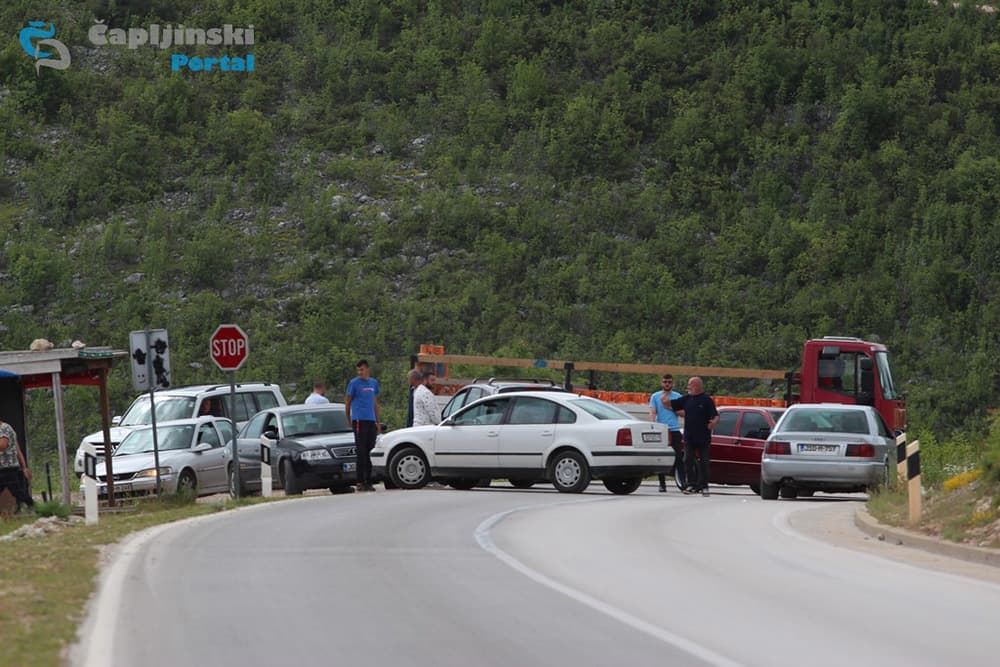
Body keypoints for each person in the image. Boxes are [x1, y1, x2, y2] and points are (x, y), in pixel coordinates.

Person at [671, 377, 719, 496]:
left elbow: (715, 415)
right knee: (687, 460)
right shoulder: (686, 399)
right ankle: (691, 484)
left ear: (696, 386)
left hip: (703, 437)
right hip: (689, 436)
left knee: (704, 462)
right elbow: (671, 405)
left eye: (690, 385)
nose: (688, 387)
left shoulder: (707, 400)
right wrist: (662, 397)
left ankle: (704, 486)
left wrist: (714, 422)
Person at [344, 359, 380, 492]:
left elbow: (375, 403)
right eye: (358, 370)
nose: (360, 372)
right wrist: (349, 418)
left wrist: (378, 422)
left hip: (371, 420)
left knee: (370, 451)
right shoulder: (354, 383)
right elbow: (348, 402)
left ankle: (369, 481)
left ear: (367, 369)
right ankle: (360, 481)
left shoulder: (373, 383)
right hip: (359, 420)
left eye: (362, 369)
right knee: (361, 451)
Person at [649, 373, 683, 492]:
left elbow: (683, 413)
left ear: (672, 383)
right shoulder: (655, 396)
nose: (667, 384)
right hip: (661, 430)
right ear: (662, 383)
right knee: (661, 457)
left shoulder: (677, 396)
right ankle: (662, 484)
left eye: (669, 382)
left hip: (674, 430)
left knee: (678, 457)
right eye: (665, 382)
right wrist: (652, 426)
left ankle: (682, 482)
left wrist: (669, 406)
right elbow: (653, 412)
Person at [0, 418, 34, 513]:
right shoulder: (7, 428)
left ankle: (33, 506)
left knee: (17, 491)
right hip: (6, 468)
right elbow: (18, 450)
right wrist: (24, 467)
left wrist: (24, 467)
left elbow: (3, 445)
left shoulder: (4, 428)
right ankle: (31, 506)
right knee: (17, 491)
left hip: (7, 468)